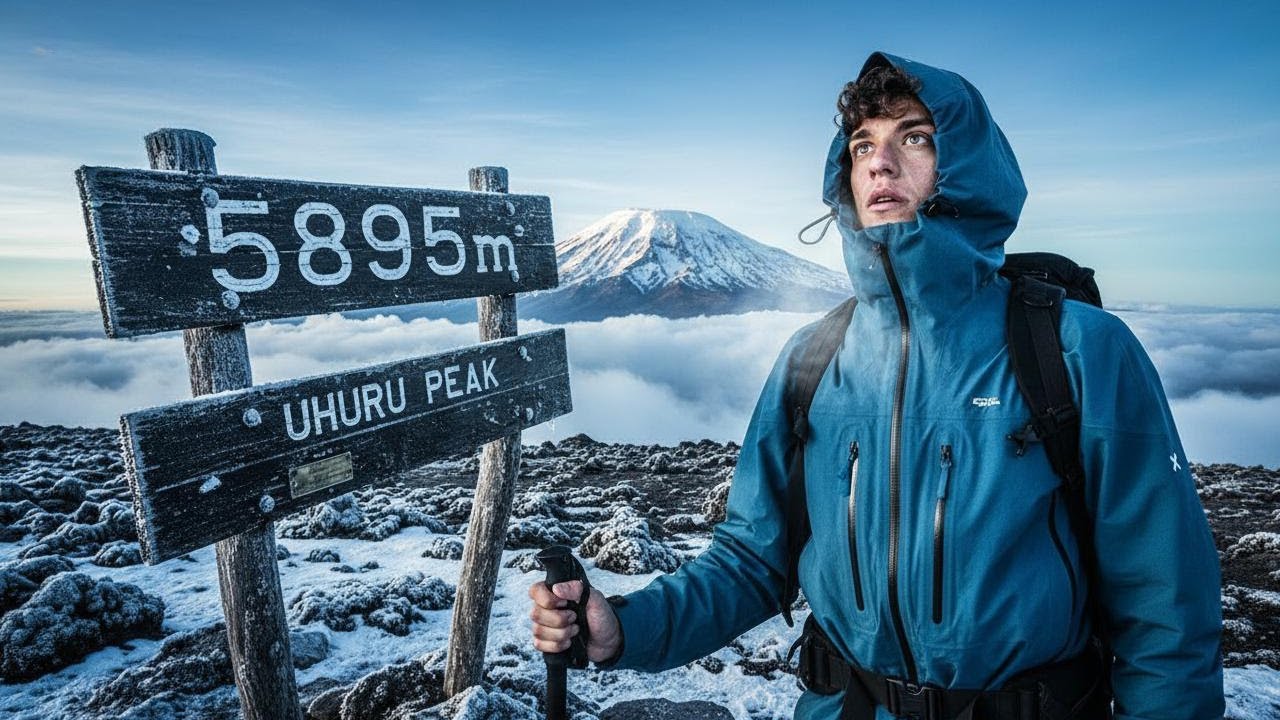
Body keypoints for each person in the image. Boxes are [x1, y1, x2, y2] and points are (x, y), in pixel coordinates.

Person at [529, 52, 1224, 720]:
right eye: (862, 144)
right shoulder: (815, 355)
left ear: (970, 168)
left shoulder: (1078, 348)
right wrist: (626, 630)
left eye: (914, 138)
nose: (881, 162)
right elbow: (752, 558)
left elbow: (1164, 607)